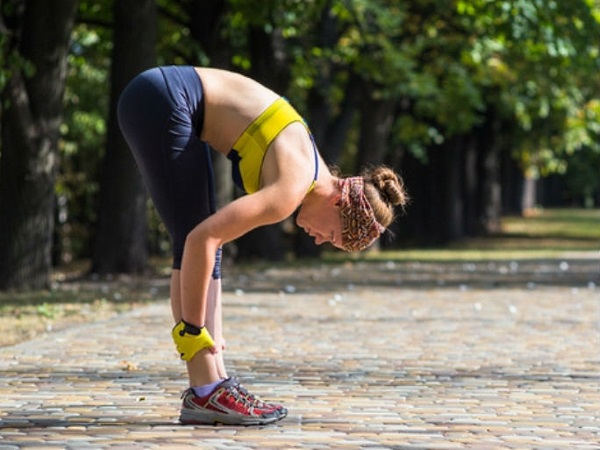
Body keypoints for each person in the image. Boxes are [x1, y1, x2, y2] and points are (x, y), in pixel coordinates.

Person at [117, 66, 408, 426]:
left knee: (202, 235)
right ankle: (207, 391)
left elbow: (211, 243)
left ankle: (214, 383)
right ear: (337, 203)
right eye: (332, 236)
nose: (319, 240)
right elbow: (200, 240)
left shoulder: (311, 165)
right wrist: (192, 331)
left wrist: (214, 333)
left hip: (166, 97)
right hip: (164, 100)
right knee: (196, 234)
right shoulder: (290, 190)